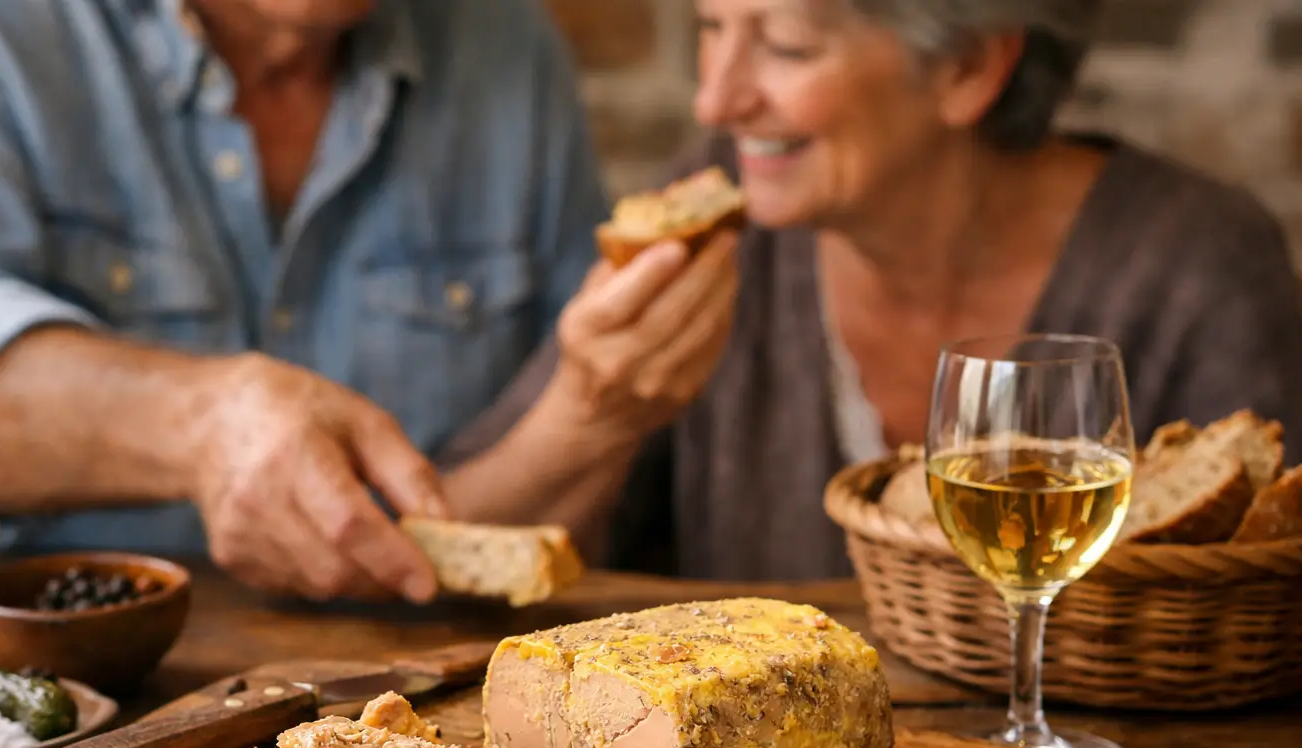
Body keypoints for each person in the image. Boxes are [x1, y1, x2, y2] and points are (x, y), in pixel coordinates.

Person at [0, 0, 634, 604]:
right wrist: (204, 423)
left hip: (404, 692)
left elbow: (565, 490)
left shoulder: (508, 46)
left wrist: (605, 410)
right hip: (35, 714)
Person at [439, 0, 1302, 581]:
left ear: (967, 67)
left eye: (785, 47)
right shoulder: (714, 213)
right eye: (710, 26)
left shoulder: (1197, 265)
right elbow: (460, 556)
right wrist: (591, 415)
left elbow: (1266, 602)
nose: (716, 98)